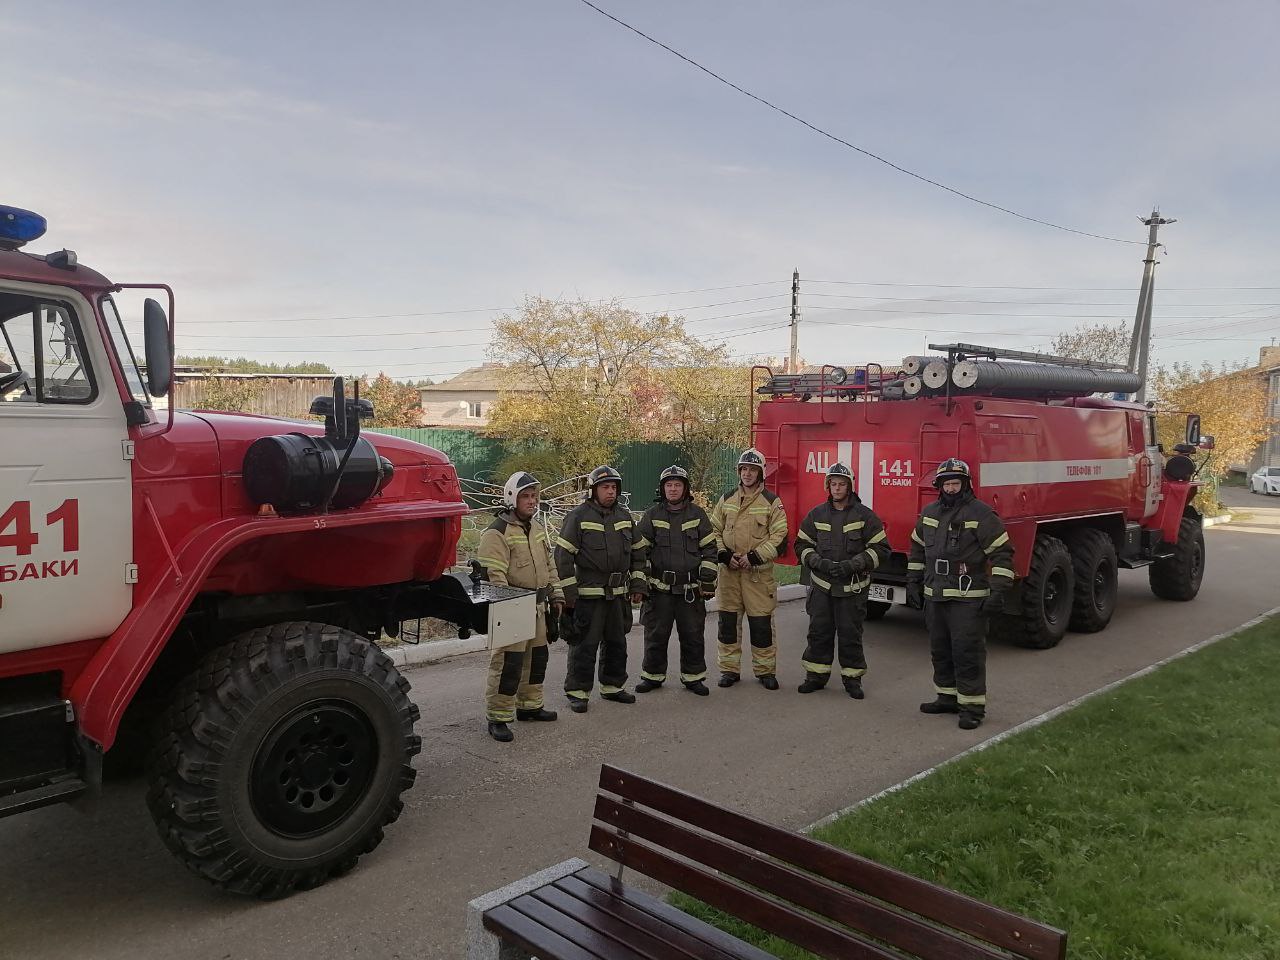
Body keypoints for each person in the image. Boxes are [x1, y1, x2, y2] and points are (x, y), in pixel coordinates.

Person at [905, 458, 1015, 730]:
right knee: (940, 650)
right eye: (947, 484)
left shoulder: (982, 515)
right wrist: (913, 582)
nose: (951, 489)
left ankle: (972, 708)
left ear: (965, 485)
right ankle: (947, 698)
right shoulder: (929, 513)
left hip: (968, 598)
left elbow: (1002, 554)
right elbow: (917, 548)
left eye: (956, 483)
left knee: (967, 652)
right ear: (939, 486)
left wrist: (998, 591)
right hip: (935, 595)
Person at [475, 471, 564, 742]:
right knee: (508, 664)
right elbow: (494, 576)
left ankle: (530, 706)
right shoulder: (496, 532)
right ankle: (498, 716)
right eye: (526, 496)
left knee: (536, 659)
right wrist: (508, 608)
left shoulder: (536, 528)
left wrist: (556, 596)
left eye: (534, 496)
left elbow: (549, 565)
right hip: (512, 607)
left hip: (537, 607)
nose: (532, 501)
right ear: (512, 498)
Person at [794, 463, 890, 699]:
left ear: (850, 486)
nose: (837, 488)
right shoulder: (816, 514)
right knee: (818, 632)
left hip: (851, 588)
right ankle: (815, 676)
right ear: (828, 486)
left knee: (850, 635)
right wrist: (818, 562)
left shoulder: (865, 516)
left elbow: (881, 549)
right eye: (833, 484)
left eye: (842, 484)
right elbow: (801, 545)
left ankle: (852, 679)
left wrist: (853, 564)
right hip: (822, 587)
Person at [554, 465, 638, 713]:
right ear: (593, 490)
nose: (610, 492)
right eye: (605, 487)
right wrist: (569, 596)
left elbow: (639, 554)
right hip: (588, 595)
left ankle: (612, 686)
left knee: (617, 643)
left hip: (618, 595)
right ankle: (577, 692)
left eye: (613, 487)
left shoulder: (624, 517)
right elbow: (562, 557)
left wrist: (638, 585)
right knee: (584, 645)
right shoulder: (578, 517)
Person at [631, 465, 719, 696]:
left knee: (693, 635)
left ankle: (693, 678)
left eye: (677, 485)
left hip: (690, 591)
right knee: (655, 635)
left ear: (685, 488)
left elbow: (710, 550)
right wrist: (642, 583)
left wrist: (707, 582)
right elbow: (639, 552)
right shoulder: (652, 515)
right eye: (669, 485)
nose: (672, 489)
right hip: (659, 590)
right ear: (662, 489)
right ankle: (652, 676)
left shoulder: (697, 515)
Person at [709, 448, 789, 690]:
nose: (747, 474)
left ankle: (765, 672)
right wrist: (724, 555)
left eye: (752, 470)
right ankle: (729, 670)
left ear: (760, 473)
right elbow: (713, 531)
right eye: (743, 469)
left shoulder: (772, 502)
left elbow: (780, 537)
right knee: (727, 625)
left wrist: (754, 557)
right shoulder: (726, 499)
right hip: (729, 575)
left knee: (761, 626)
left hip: (757, 576)